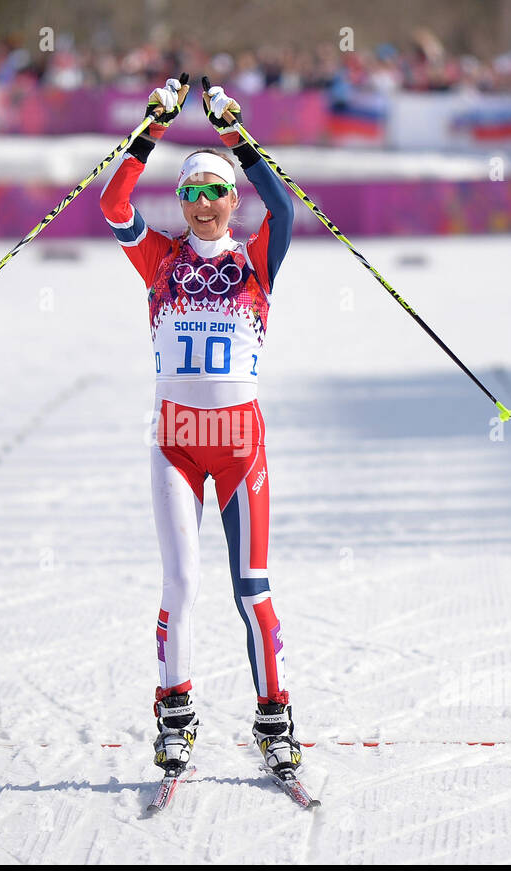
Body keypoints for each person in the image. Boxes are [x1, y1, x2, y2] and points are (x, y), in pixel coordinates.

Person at [99, 76, 300, 777]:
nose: (205, 203)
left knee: (252, 590)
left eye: (216, 191)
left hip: (240, 446)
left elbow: (284, 205)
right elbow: (113, 205)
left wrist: (234, 136)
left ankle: (275, 719)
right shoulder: (160, 259)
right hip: (176, 446)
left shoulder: (255, 261)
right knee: (181, 584)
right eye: (192, 193)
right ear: (181, 202)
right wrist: (150, 129)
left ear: (232, 199)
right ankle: (175, 716)